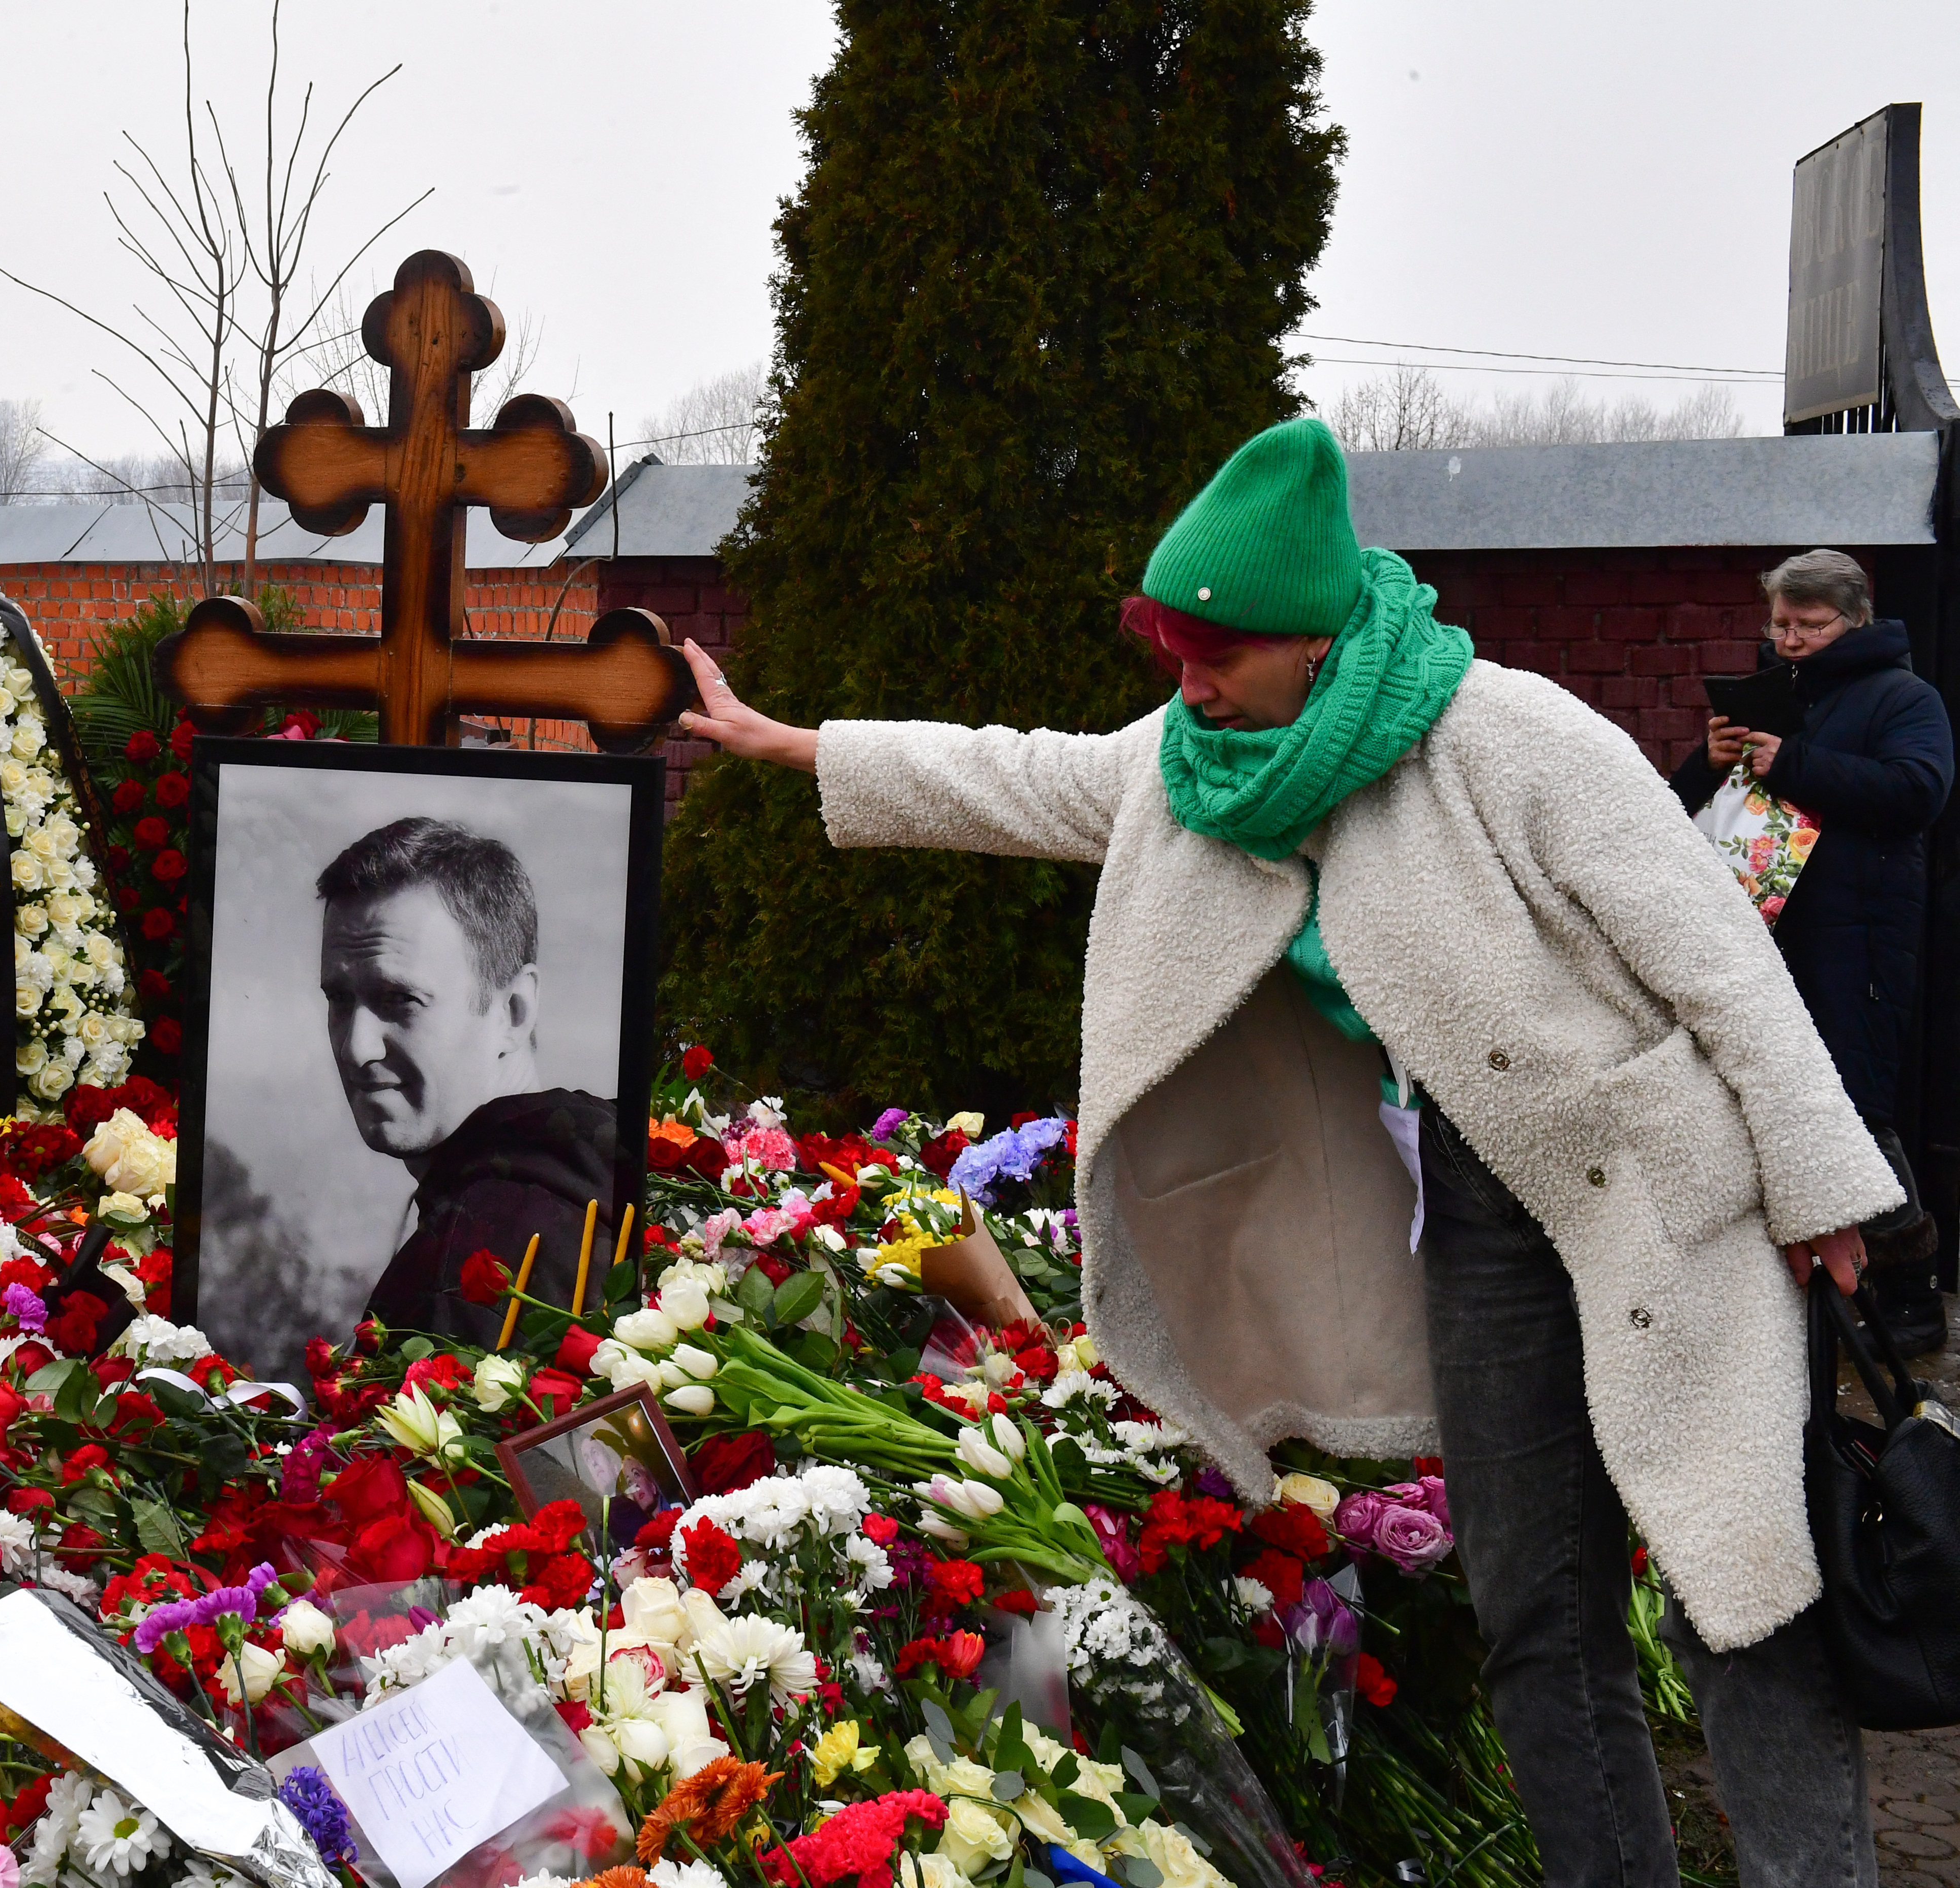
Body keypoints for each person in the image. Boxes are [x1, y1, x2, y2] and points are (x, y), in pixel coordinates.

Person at [677, 418, 1898, 1888]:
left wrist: (1825, 1190)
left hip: (1661, 1191)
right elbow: (1027, 775)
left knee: (1741, 1589)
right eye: (1175, 650)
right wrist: (789, 741)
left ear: (1316, 640)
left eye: (1224, 651)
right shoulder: (1202, 766)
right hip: (1480, 1209)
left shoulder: (1514, 739)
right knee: (1536, 1611)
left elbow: (1722, 964)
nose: (1190, 682)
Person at [1670, 549, 1952, 1351]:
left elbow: (1917, 792)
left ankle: (1911, 1296)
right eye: (1779, 623)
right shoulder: (1773, 698)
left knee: (1858, 1113)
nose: (1789, 639)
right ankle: (1817, 1290)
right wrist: (1710, 764)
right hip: (1764, 939)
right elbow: (1677, 814)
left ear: (1855, 619)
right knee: (1777, 1102)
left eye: (1808, 624)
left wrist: (1791, 762)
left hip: (1860, 940)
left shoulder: (1905, 697)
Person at [315, 816, 616, 1345]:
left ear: (514, 1011)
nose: (355, 1047)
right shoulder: (611, 1180)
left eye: (399, 1000)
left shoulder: (473, 1260)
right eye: (340, 1000)